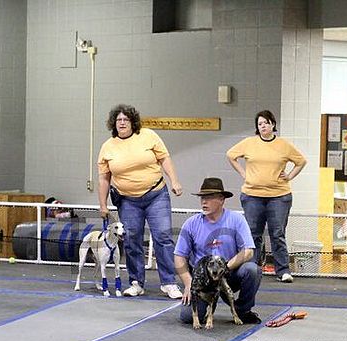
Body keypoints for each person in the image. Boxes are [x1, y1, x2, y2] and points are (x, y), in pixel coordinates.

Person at [97, 104, 183, 298]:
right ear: (113, 123)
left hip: (156, 194)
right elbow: (104, 178)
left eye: (126, 120)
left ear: (132, 122)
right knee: (131, 239)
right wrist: (102, 205)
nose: (122, 123)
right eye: (118, 120)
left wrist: (175, 181)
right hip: (127, 200)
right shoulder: (107, 147)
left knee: (163, 236)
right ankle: (136, 282)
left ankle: (169, 283)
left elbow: (165, 159)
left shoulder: (148, 136)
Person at [226, 110, 306, 283]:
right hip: (252, 195)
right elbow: (231, 156)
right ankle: (252, 270)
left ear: (273, 125)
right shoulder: (249, 143)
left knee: (277, 233)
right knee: (253, 233)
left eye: (266, 123)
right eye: (260, 124)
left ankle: (283, 270)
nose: (263, 126)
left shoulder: (283, 145)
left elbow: (301, 162)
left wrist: (290, 176)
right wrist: (243, 173)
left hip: (279, 196)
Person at [175, 177, 262, 324]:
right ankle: (206, 305)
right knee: (187, 317)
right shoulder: (191, 224)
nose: (204, 202)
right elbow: (179, 256)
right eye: (202, 198)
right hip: (203, 279)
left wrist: (224, 269)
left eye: (209, 198)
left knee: (252, 270)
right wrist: (189, 283)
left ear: (221, 199)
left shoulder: (236, 220)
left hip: (229, 273)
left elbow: (248, 251)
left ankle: (242, 310)